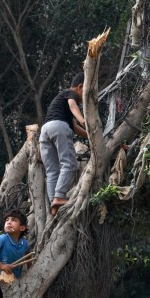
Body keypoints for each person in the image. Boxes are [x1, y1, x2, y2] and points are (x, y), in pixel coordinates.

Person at [39, 72, 89, 214]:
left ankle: (53, 206)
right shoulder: (70, 93)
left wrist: (90, 136)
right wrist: (83, 120)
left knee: (52, 171)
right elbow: (73, 105)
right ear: (80, 87)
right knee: (70, 164)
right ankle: (59, 196)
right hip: (59, 128)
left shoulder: (60, 104)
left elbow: (74, 127)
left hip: (46, 131)